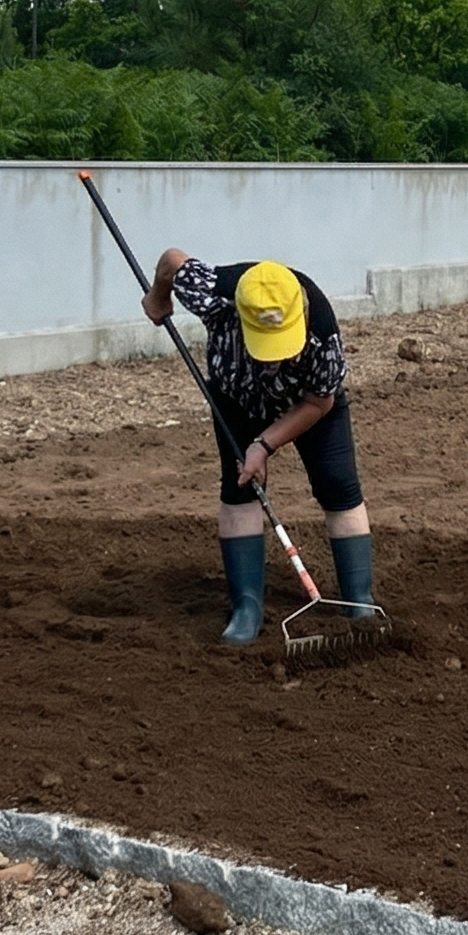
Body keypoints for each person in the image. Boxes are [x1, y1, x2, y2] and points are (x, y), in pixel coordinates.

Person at [141, 247, 374, 645]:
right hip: (237, 397)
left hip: (307, 402)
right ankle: (246, 607)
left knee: (337, 483)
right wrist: (158, 296)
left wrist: (264, 445)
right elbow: (172, 261)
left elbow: (320, 402)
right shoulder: (214, 293)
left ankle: (359, 600)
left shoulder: (321, 328)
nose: (274, 360)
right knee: (240, 488)